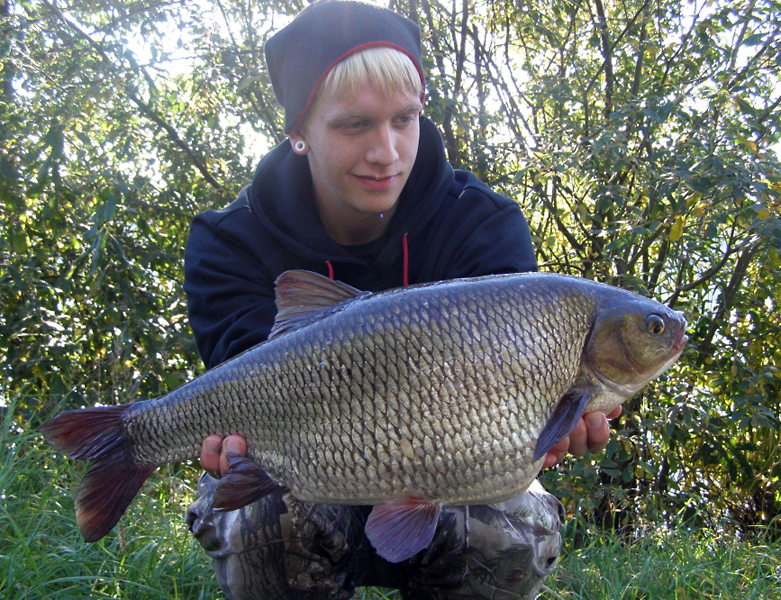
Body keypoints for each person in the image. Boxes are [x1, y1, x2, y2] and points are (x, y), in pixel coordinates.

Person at [183, 2, 620, 598]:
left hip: (454, 474)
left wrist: (549, 423)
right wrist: (229, 446)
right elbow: (247, 379)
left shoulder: (483, 225)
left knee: (509, 529)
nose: (386, 151)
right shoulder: (229, 239)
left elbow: (523, 403)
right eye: (354, 125)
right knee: (262, 519)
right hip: (304, 465)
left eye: (405, 118)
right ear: (298, 132)